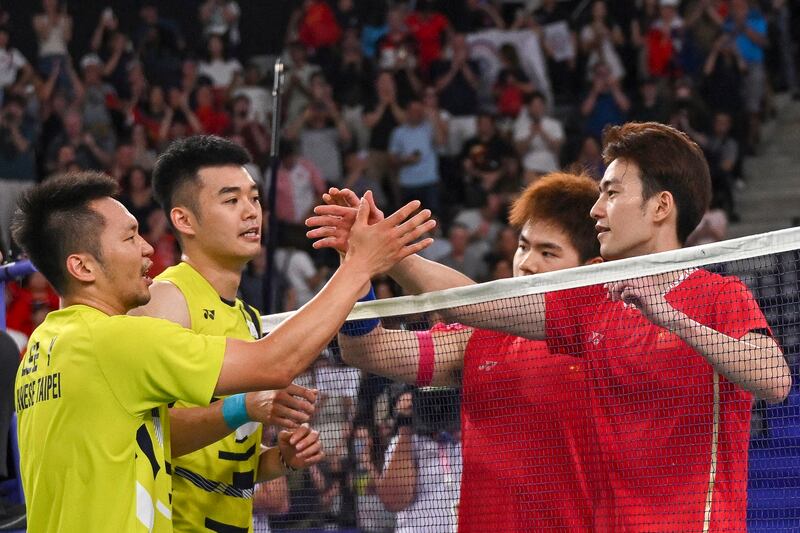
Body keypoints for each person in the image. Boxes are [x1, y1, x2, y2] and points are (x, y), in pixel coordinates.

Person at [306, 121, 792, 530]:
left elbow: (773, 380)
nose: (598, 210)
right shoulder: (592, 307)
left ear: (661, 206)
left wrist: (671, 318)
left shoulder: (720, 295)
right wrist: (378, 251)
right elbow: (466, 302)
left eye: (612, 193)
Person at [11, 170, 435, 532]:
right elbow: (273, 363)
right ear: (82, 267)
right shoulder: (113, 341)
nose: (147, 249)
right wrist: (359, 266)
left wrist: (255, 429)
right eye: (130, 237)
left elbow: (157, 441)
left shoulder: (41, 351)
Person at [307, 172, 607, 531]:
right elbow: (368, 350)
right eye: (523, 246)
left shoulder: (603, 338)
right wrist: (356, 264)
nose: (526, 262)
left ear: (591, 271)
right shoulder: (478, 339)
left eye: (547, 252)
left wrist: (388, 249)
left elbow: (464, 300)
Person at [126, 136, 311, 532]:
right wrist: (244, 405)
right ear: (184, 220)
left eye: (254, 198)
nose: (250, 212)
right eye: (231, 201)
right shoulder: (167, 300)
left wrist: (281, 458)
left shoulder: (248, 317)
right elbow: (148, 436)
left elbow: (227, 459)